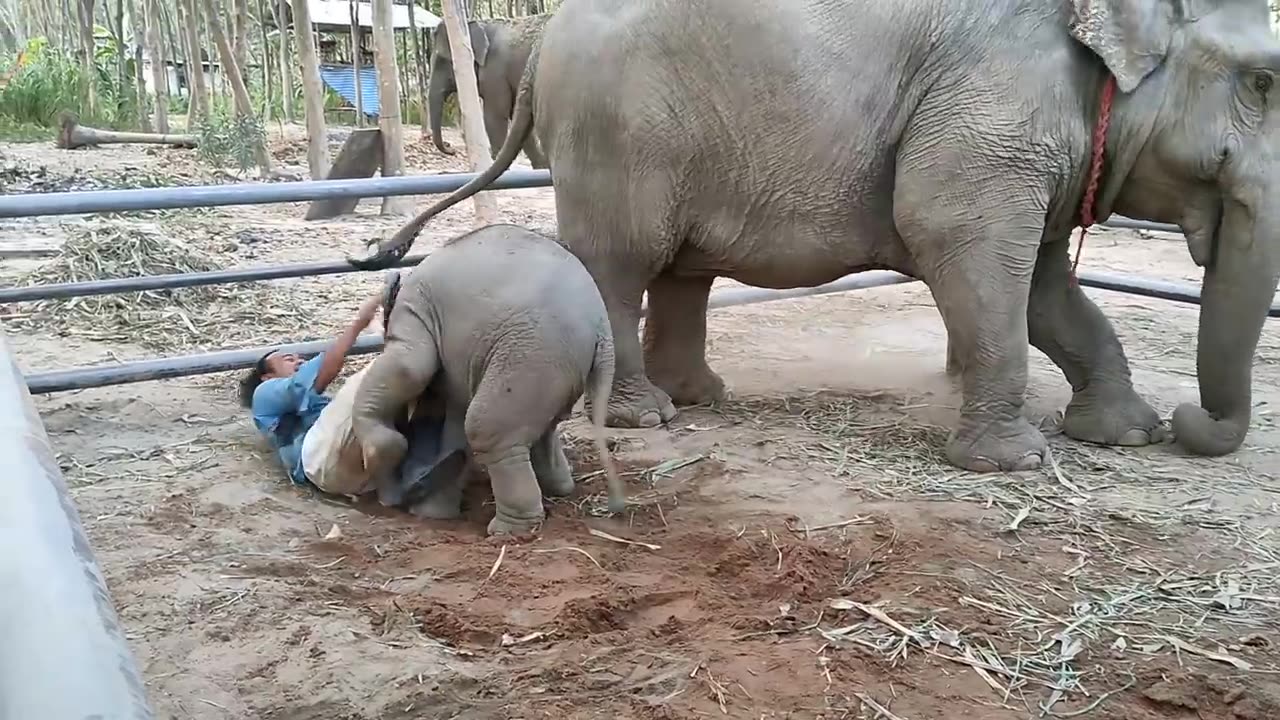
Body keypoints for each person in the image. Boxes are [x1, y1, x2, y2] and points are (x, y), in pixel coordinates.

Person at [238, 288, 388, 497]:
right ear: (266, 376)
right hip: (317, 457)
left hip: (344, 478)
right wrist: (360, 322)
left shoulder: (303, 406)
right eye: (288, 359)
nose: (299, 361)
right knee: (376, 378)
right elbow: (321, 374)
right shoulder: (264, 393)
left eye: (300, 359)